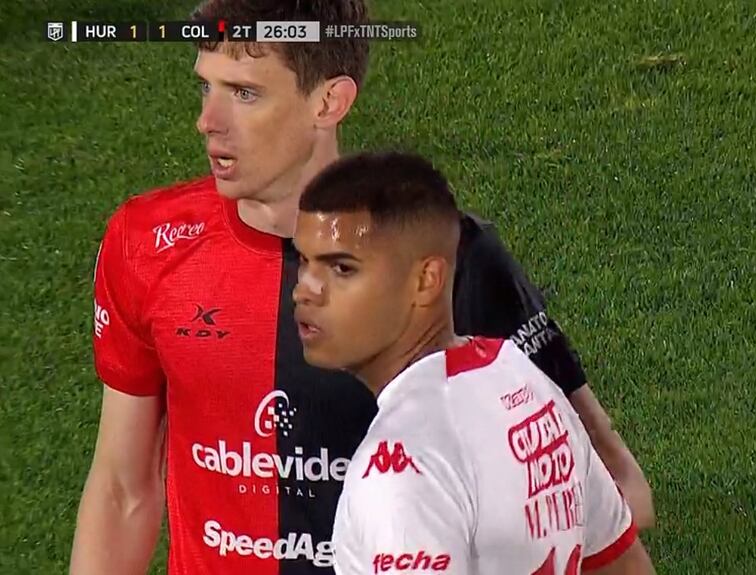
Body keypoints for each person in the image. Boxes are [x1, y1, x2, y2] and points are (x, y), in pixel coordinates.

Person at [69, 1, 652, 574]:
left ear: (330, 100)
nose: (208, 121)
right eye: (206, 88)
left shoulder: (447, 256)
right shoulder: (148, 243)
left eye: (245, 93)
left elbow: (610, 481)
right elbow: (123, 490)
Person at [292, 151, 656, 575]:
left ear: (426, 281)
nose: (306, 290)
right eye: (304, 260)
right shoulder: (524, 383)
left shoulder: (402, 469)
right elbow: (622, 564)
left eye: (341, 268)